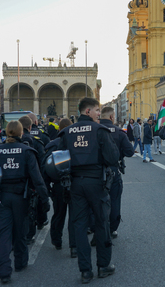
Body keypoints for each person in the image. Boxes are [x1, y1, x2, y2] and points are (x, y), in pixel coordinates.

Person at [57, 97, 120, 283]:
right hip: (96, 183)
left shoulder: (66, 132)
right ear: (88, 111)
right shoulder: (100, 130)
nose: (99, 114)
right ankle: (103, 266)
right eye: (97, 110)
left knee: (79, 226)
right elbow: (112, 158)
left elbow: (59, 160)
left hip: (75, 184)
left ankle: (85, 271)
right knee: (102, 224)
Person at [0, 121, 50, 284]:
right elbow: (37, 178)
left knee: (3, 233)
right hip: (22, 196)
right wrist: (44, 199)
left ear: (6, 133)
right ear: (21, 133)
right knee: (21, 230)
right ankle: (20, 263)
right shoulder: (27, 151)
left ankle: (3, 271)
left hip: (2, 196)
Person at [99, 107, 135, 239]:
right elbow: (130, 152)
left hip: (95, 170)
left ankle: (94, 226)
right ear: (111, 117)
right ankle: (112, 228)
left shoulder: (94, 130)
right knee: (114, 199)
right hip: (113, 170)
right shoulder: (119, 132)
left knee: (95, 199)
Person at [42, 118, 76, 257]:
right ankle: (74, 246)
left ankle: (57, 240)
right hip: (74, 183)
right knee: (75, 215)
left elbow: (45, 166)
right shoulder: (75, 143)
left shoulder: (52, 144)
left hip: (58, 184)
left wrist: (47, 186)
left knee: (59, 213)